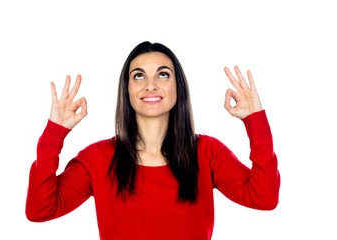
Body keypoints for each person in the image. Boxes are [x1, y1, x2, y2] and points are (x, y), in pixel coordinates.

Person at [25, 41, 280, 240]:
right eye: (138, 75)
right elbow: (40, 209)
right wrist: (54, 132)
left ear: (178, 87)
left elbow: (264, 197)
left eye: (163, 75)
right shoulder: (98, 158)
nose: (150, 85)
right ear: (127, 89)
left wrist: (255, 120)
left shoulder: (207, 152)